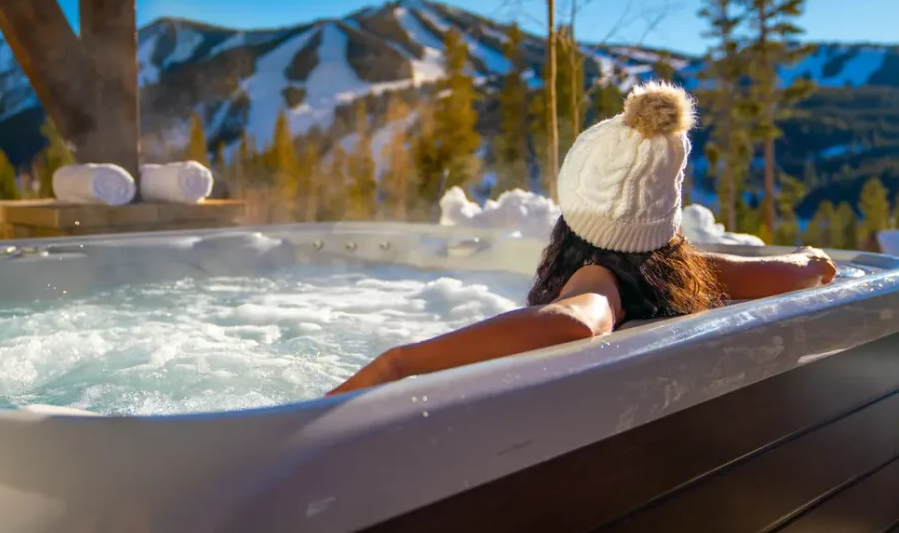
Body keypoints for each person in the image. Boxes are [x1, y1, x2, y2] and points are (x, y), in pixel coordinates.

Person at [327, 81, 837, 397]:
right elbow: (804, 272)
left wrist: (399, 363)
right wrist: (811, 259)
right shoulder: (684, 272)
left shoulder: (598, 277)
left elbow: (576, 321)